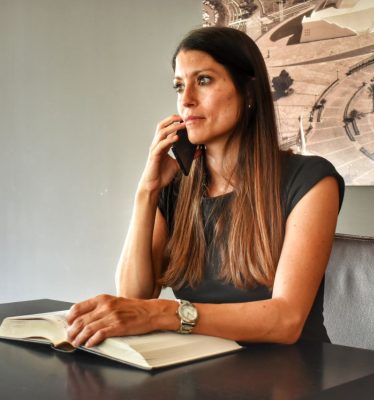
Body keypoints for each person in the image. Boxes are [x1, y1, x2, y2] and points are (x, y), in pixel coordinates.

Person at [66, 27, 345, 348]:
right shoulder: (175, 188)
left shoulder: (311, 180)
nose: (186, 99)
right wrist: (147, 192)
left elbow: (286, 321)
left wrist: (164, 313)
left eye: (203, 80)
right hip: (202, 365)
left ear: (249, 93)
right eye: (179, 85)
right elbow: (133, 298)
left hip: (293, 369)